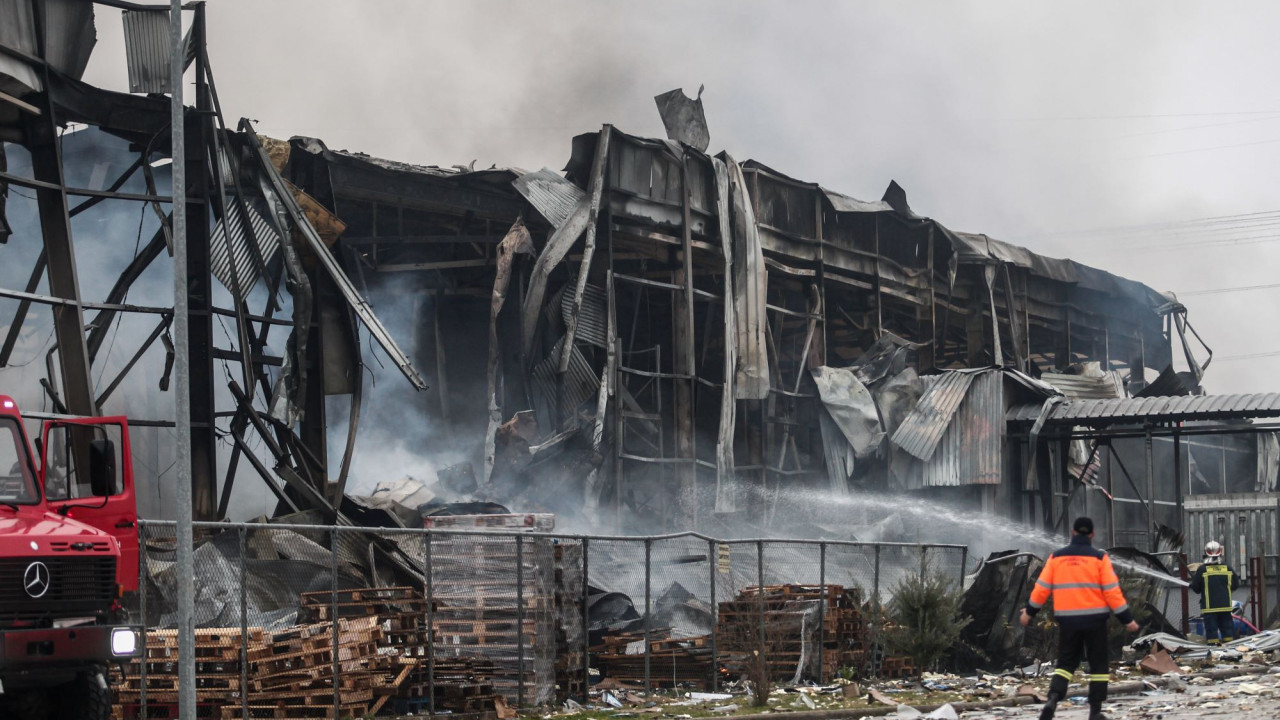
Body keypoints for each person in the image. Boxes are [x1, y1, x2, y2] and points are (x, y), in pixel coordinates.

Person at [1020, 517, 1139, 720]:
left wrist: (1029, 612)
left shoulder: (1056, 558)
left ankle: (1052, 699)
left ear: (1072, 532)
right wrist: (1127, 620)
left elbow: (1041, 589)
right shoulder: (1099, 559)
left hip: (1068, 622)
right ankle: (1095, 711)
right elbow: (1112, 593)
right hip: (1095, 622)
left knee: (1065, 664)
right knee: (1098, 666)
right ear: (1092, 534)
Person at [1191, 541, 1240, 645]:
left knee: (1212, 633)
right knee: (1227, 632)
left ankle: (1214, 653)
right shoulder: (1228, 568)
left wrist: (1193, 584)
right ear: (1220, 552)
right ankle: (1229, 650)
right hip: (1225, 607)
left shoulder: (1202, 570)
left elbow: (1196, 589)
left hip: (1210, 608)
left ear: (1206, 552)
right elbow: (1235, 585)